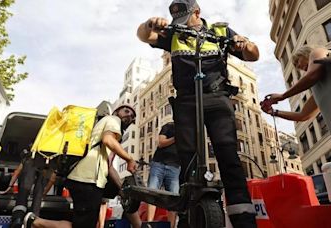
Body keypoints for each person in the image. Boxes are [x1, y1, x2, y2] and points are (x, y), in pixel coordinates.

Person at [137, 0, 259, 227]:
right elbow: (144, 36)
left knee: (228, 157)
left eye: (185, 19)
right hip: (186, 100)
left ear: (197, 12)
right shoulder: (173, 33)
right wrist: (149, 24)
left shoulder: (220, 30)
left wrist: (244, 43)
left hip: (217, 98)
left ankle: (244, 220)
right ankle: (188, 217)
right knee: (188, 158)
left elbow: (253, 55)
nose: (181, 24)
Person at [22, 104, 139, 228]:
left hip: (91, 179)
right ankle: (35, 222)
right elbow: (108, 140)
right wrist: (129, 159)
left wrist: (121, 187)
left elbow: (108, 166)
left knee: (122, 193)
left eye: (132, 116)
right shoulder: (112, 120)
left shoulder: (109, 132)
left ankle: (139, 225)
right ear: (116, 112)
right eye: (126, 111)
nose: (129, 115)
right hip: (86, 179)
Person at [261, 45, 331, 129]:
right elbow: (303, 115)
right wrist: (273, 112)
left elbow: (312, 75)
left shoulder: (318, 51)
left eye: (298, 61)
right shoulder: (319, 89)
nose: (298, 67)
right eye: (296, 65)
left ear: (305, 53)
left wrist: (282, 96)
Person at [146, 122, 179, 228]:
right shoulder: (169, 126)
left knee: (173, 197)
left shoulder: (188, 130)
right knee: (152, 192)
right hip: (159, 164)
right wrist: (176, 138)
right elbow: (161, 142)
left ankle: (172, 226)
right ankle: (149, 224)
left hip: (175, 168)